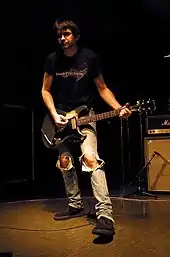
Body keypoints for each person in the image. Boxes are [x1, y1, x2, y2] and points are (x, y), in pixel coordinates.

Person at [41, 18, 132, 237]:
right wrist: (54, 114)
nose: (63, 38)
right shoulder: (52, 60)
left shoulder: (89, 58)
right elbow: (45, 90)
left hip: (84, 116)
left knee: (90, 158)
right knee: (64, 162)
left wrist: (119, 108)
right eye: (60, 35)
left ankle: (105, 216)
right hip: (60, 119)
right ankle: (75, 205)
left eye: (67, 34)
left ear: (76, 36)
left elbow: (102, 88)